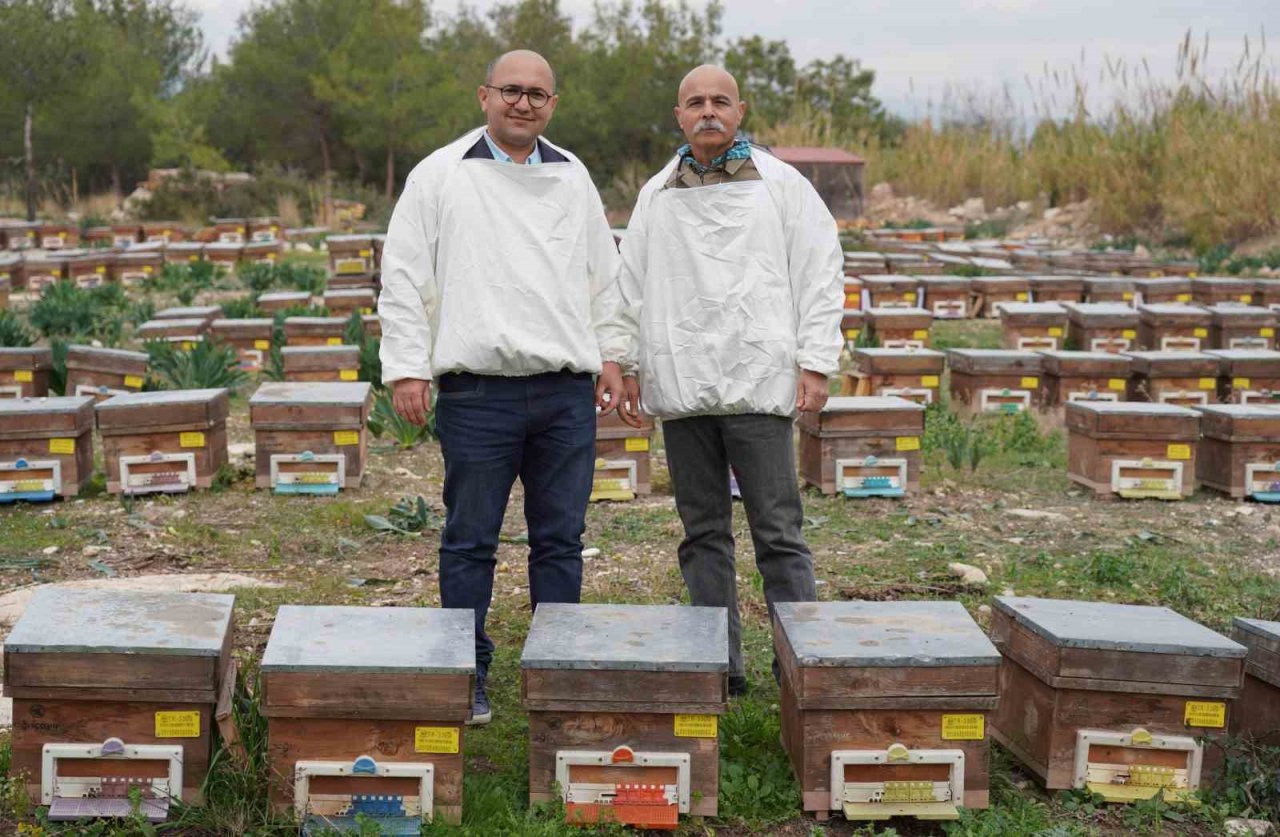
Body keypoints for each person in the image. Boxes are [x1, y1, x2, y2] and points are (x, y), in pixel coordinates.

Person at [378, 50, 633, 725]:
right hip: (477, 393)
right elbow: (403, 276)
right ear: (484, 95)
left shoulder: (572, 176)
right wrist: (406, 366)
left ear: (553, 104)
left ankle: (560, 673)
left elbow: (601, 274)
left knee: (560, 539)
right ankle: (469, 675)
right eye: (512, 91)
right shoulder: (439, 176)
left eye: (538, 95)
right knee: (469, 539)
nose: (524, 104)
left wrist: (612, 354)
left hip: (562, 393)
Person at [616, 64, 844, 696]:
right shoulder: (657, 192)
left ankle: (800, 668)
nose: (708, 111)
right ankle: (721, 666)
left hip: (759, 383)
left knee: (778, 531)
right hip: (684, 387)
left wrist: (817, 359)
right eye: (696, 102)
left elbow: (821, 270)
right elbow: (627, 282)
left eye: (720, 101)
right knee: (703, 532)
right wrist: (623, 361)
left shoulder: (783, 186)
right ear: (679, 116)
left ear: (739, 111)